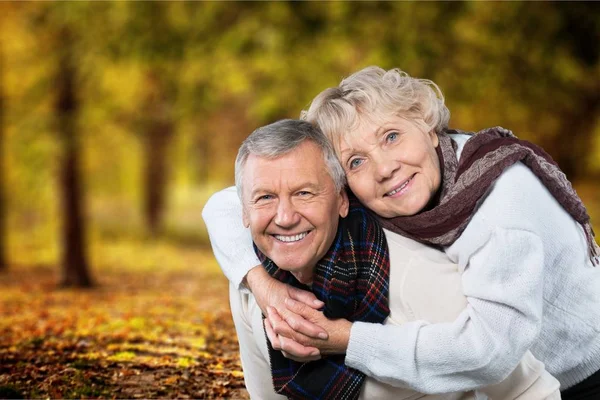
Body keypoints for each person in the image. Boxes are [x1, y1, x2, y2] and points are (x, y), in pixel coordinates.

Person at [204, 119, 561, 399]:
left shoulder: (416, 278)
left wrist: (347, 338)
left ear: (342, 200)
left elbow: (531, 390)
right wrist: (259, 285)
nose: (284, 217)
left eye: (304, 193)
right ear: (244, 211)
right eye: (265, 198)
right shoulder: (252, 283)